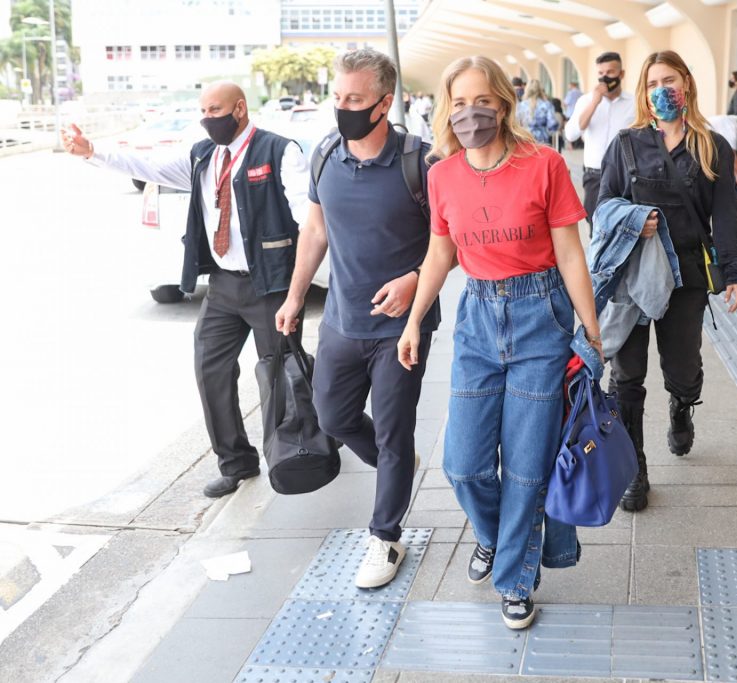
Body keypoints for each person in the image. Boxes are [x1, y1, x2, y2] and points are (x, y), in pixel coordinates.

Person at [396, 55, 601, 630]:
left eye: (480, 101)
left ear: (503, 104)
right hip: (478, 318)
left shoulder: (544, 165)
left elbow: (568, 253)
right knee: (462, 466)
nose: (469, 114)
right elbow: (441, 253)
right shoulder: (442, 174)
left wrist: (590, 327)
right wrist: (413, 321)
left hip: (541, 316)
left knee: (527, 466)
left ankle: (514, 576)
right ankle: (496, 536)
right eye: (458, 103)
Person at [60, 82, 309, 499]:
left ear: (240, 109)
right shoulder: (203, 156)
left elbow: (310, 220)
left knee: (280, 374)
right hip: (224, 285)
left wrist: (298, 291)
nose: (208, 117)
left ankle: (291, 457)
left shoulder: (280, 151)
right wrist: (93, 152)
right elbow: (151, 166)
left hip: (271, 286)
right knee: (210, 369)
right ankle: (237, 463)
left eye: (216, 109)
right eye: (203, 110)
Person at [275, 50, 441, 589]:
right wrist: (296, 296)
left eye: (354, 100)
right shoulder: (325, 155)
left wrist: (415, 279)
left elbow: (449, 243)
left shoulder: (421, 163)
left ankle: (385, 536)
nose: (342, 109)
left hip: (402, 329)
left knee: (394, 432)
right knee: (333, 417)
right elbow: (315, 232)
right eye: (338, 98)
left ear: (384, 103)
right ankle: (398, 464)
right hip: (342, 324)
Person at [595, 50, 737, 511]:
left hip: (687, 280)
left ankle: (682, 408)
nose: (661, 89)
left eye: (670, 79)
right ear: (643, 92)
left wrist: (735, 273)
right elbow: (600, 207)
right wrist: (631, 219)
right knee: (627, 375)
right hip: (635, 278)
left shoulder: (711, 145)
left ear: (686, 83)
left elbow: (725, 215)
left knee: (683, 369)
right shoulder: (626, 144)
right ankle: (634, 468)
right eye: (652, 82)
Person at [564, 52, 635, 233]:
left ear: (621, 74)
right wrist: (594, 103)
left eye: (610, 72)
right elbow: (571, 134)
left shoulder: (634, 103)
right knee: (595, 226)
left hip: (625, 174)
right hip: (595, 175)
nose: (605, 77)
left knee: (623, 227)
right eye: (601, 73)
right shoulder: (586, 101)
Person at [516, 79, 559, 146]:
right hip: (542, 140)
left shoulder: (521, 105)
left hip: (525, 139)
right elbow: (552, 124)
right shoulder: (546, 105)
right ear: (540, 90)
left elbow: (516, 123)